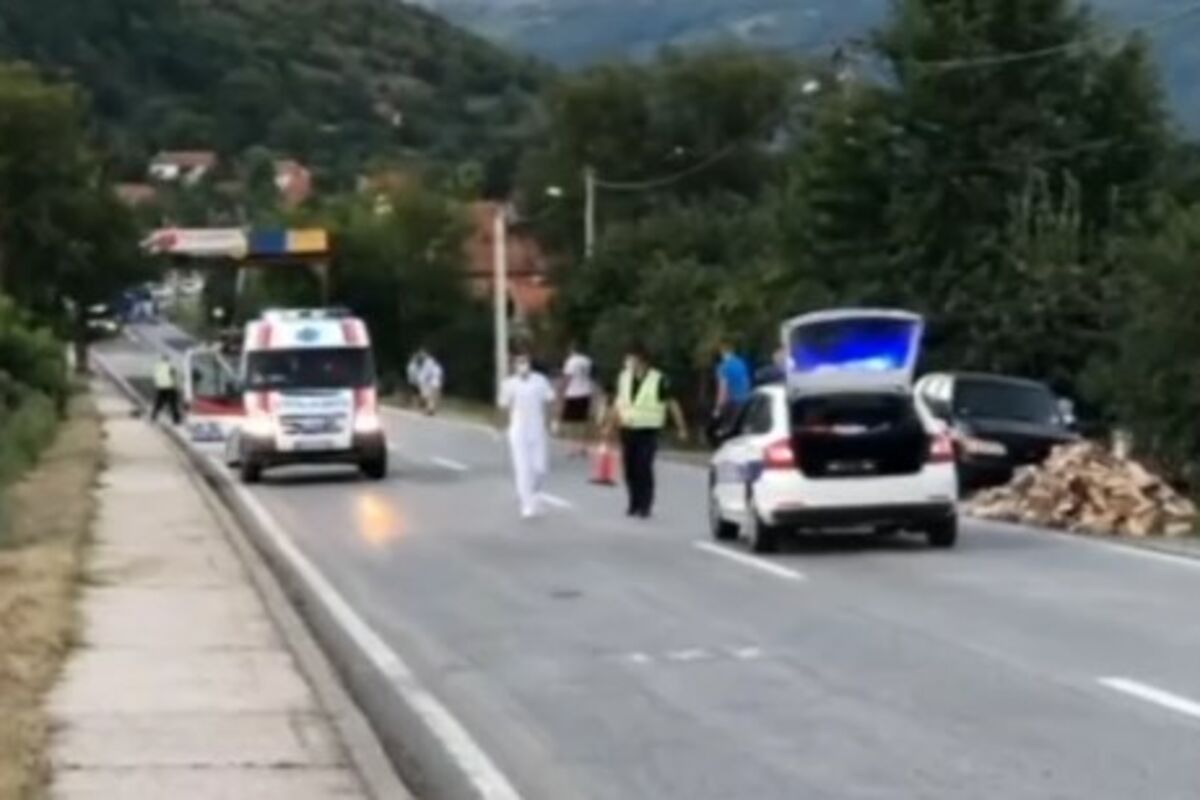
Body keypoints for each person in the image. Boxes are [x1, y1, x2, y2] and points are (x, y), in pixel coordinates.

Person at [611, 344, 688, 519]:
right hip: (627, 428)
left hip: (648, 429)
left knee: (644, 466)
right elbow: (619, 401)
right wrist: (611, 423)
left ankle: (645, 504)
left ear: (642, 361)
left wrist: (681, 427)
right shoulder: (624, 377)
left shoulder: (659, 380)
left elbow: (671, 403)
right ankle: (633, 502)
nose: (628, 362)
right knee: (630, 468)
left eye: (632, 359)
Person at [499, 351, 557, 519]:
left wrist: (552, 422)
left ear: (530, 363)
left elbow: (550, 401)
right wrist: (501, 426)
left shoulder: (540, 381)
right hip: (518, 431)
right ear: (514, 365)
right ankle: (527, 504)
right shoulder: (509, 384)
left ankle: (534, 493)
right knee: (523, 468)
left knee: (540, 468)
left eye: (524, 362)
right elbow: (503, 406)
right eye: (519, 363)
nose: (522, 365)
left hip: (537, 429)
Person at [558, 342, 595, 457]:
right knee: (583, 421)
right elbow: (591, 376)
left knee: (571, 422)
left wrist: (561, 390)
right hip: (586, 392)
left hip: (573, 394)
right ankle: (584, 446)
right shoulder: (587, 361)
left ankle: (572, 448)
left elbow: (567, 378)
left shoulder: (571, 361)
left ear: (572, 350)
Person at [150, 355, 182, 425]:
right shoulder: (171, 366)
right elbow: (174, 376)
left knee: (158, 403)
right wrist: (177, 386)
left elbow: (156, 376)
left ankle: (153, 416)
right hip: (170, 387)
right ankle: (176, 420)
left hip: (160, 387)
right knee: (173, 404)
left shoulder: (157, 366)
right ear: (168, 360)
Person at [417, 351, 443, 415]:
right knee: (431, 398)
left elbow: (426, 374)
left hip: (430, 383)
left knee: (429, 397)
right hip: (436, 383)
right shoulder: (437, 367)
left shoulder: (428, 364)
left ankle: (429, 410)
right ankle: (430, 409)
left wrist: (422, 381)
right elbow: (439, 375)